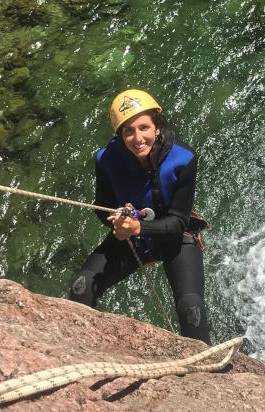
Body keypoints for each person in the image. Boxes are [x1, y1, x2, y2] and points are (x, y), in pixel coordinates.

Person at [69, 89, 211, 344]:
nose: (137, 138)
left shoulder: (184, 159)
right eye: (129, 131)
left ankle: (207, 376)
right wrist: (118, 222)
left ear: (157, 127)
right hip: (131, 236)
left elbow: (178, 222)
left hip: (174, 238)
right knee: (82, 286)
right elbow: (101, 206)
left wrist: (136, 228)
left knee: (192, 309)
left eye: (144, 127)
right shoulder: (106, 160)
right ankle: (80, 351)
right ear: (121, 135)